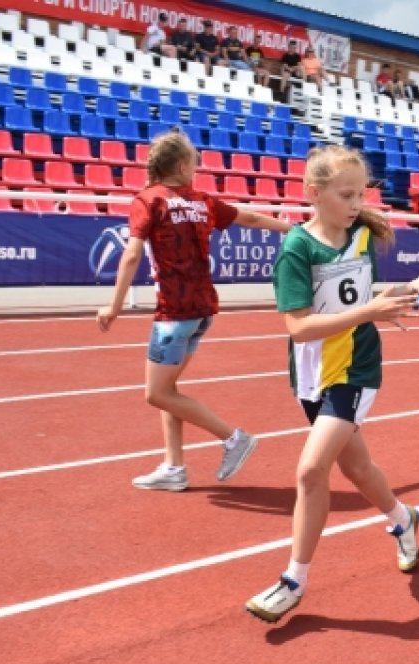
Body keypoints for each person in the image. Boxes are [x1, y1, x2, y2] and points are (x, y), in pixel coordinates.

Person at [244, 145, 419, 623]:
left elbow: (359, 296)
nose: (358, 204)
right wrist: (372, 309)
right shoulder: (298, 248)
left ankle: (294, 581)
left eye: (361, 194)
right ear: (314, 194)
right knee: (357, 469)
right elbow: (298, 327)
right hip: (314, 372)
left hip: (356, 369)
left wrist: (408, 289)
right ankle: (402, 519)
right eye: (347, 194)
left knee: (312, 470)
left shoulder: (358, 236)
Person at [96, 131, 291, 491]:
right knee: (170, 389)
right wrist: (290, 229)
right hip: (203, 310)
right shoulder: (201, 201)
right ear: (183, 166)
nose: (198, 169)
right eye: (196, 162)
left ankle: (233, 437)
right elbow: (248, 218)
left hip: (174, 313)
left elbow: (133, 254)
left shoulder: (148, 200)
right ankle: (174, 468)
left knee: (157, 393)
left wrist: (114, 305)